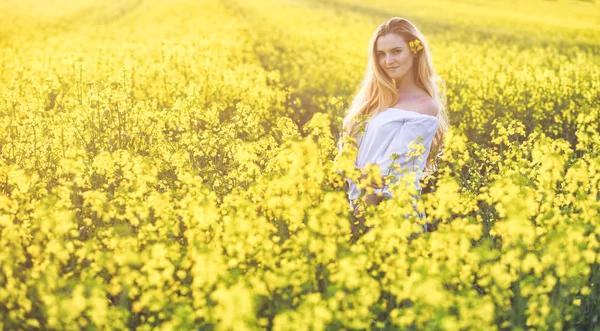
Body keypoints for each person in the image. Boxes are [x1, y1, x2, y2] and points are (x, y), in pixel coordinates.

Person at [337, 17, 450, 237]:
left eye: (396, 51)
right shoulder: (372, 100)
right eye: (381, 54)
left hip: (394, 220)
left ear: (414, 52)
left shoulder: (424, 107)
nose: (388, 60)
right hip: (359, 210)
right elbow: (344, 160)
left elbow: (387, 173)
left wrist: (357, 225)